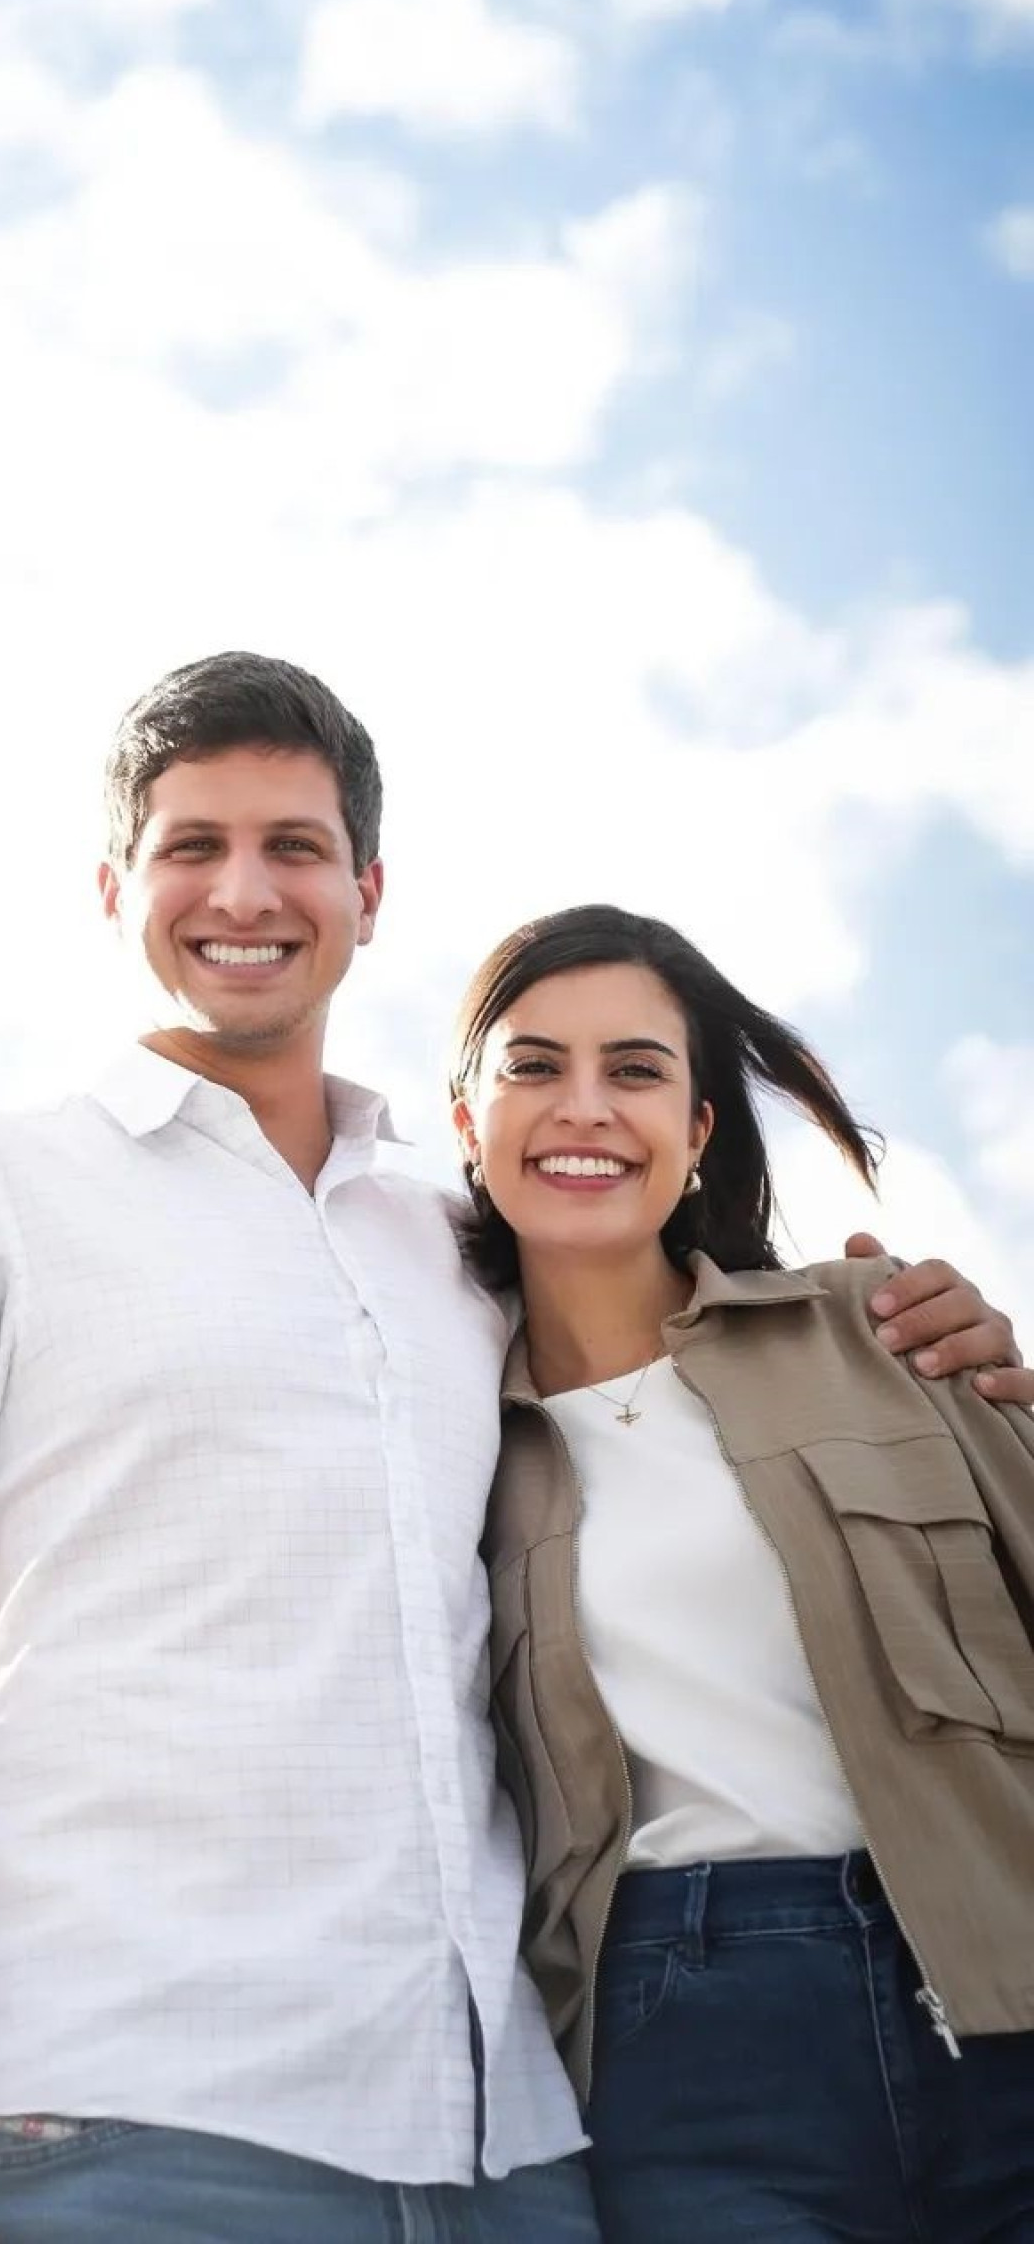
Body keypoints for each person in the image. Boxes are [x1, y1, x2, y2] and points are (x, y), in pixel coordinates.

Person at [0, 654, 1025, 2244]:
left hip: (507, 2150)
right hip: (124, 2119)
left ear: (365, 891)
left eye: (294, 846)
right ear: (110, 889)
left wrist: (928, 1334)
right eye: (190, 845)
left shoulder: (459, 1249)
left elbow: (673, 1405)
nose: (244, 890)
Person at [451, 904, 1034, 2241]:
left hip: (1003, 1978)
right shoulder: (440, 1440)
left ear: (700, 1129)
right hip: (688, 2051)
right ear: (468, 1124)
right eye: (534, 1067)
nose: (583, 1107)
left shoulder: (882, 1332)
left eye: (637, 1071)